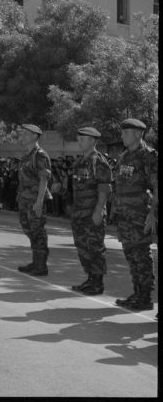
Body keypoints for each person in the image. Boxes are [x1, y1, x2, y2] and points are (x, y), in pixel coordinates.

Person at [112, 119, 158, 311]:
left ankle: (145, 297)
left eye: (126, 133)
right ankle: (138, 292)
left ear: (138, 134)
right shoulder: (124, 157)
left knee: (141, 255)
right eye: (122, 133)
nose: (122, 136)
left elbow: (156, 186)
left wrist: (152, 214)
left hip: (140, 215)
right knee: (131, 255)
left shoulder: (148, 156)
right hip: (125, 216)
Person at [70, 127, 112, 295]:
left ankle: (97, 283)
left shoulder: (98, 161)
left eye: (82, 138)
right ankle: (90, 278)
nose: (79, 141)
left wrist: (99, 210)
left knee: (94, 247)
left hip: (93, 212)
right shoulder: (80, 162)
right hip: (79, 213)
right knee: (82, 246)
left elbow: (104, 188)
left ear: (92, 140)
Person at [16, 124, 52, 276]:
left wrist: (39, 202)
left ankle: (41, 265)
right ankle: (36, 261)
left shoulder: (40, 155)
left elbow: (44, 180)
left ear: (34, 136)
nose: (22, 136)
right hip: (25, 199)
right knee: (28, 229)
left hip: (35, 200)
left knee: (38, 231)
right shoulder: (25, 156)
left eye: (25, 133)